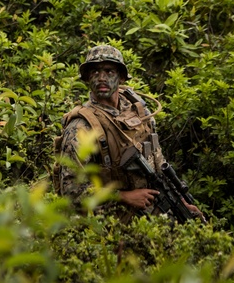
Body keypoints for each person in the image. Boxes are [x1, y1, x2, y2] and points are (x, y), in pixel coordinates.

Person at [56, 44, 201, 220]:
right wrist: (124, 197)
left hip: (152, 211)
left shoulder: (138, 111)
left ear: (121, 77)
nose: (102, 78)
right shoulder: (81, 128)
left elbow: (158, 161)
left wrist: (179, 201)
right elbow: (72, 194)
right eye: (95, 72)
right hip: (112, 223)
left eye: (109, 71)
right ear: (87, 78)